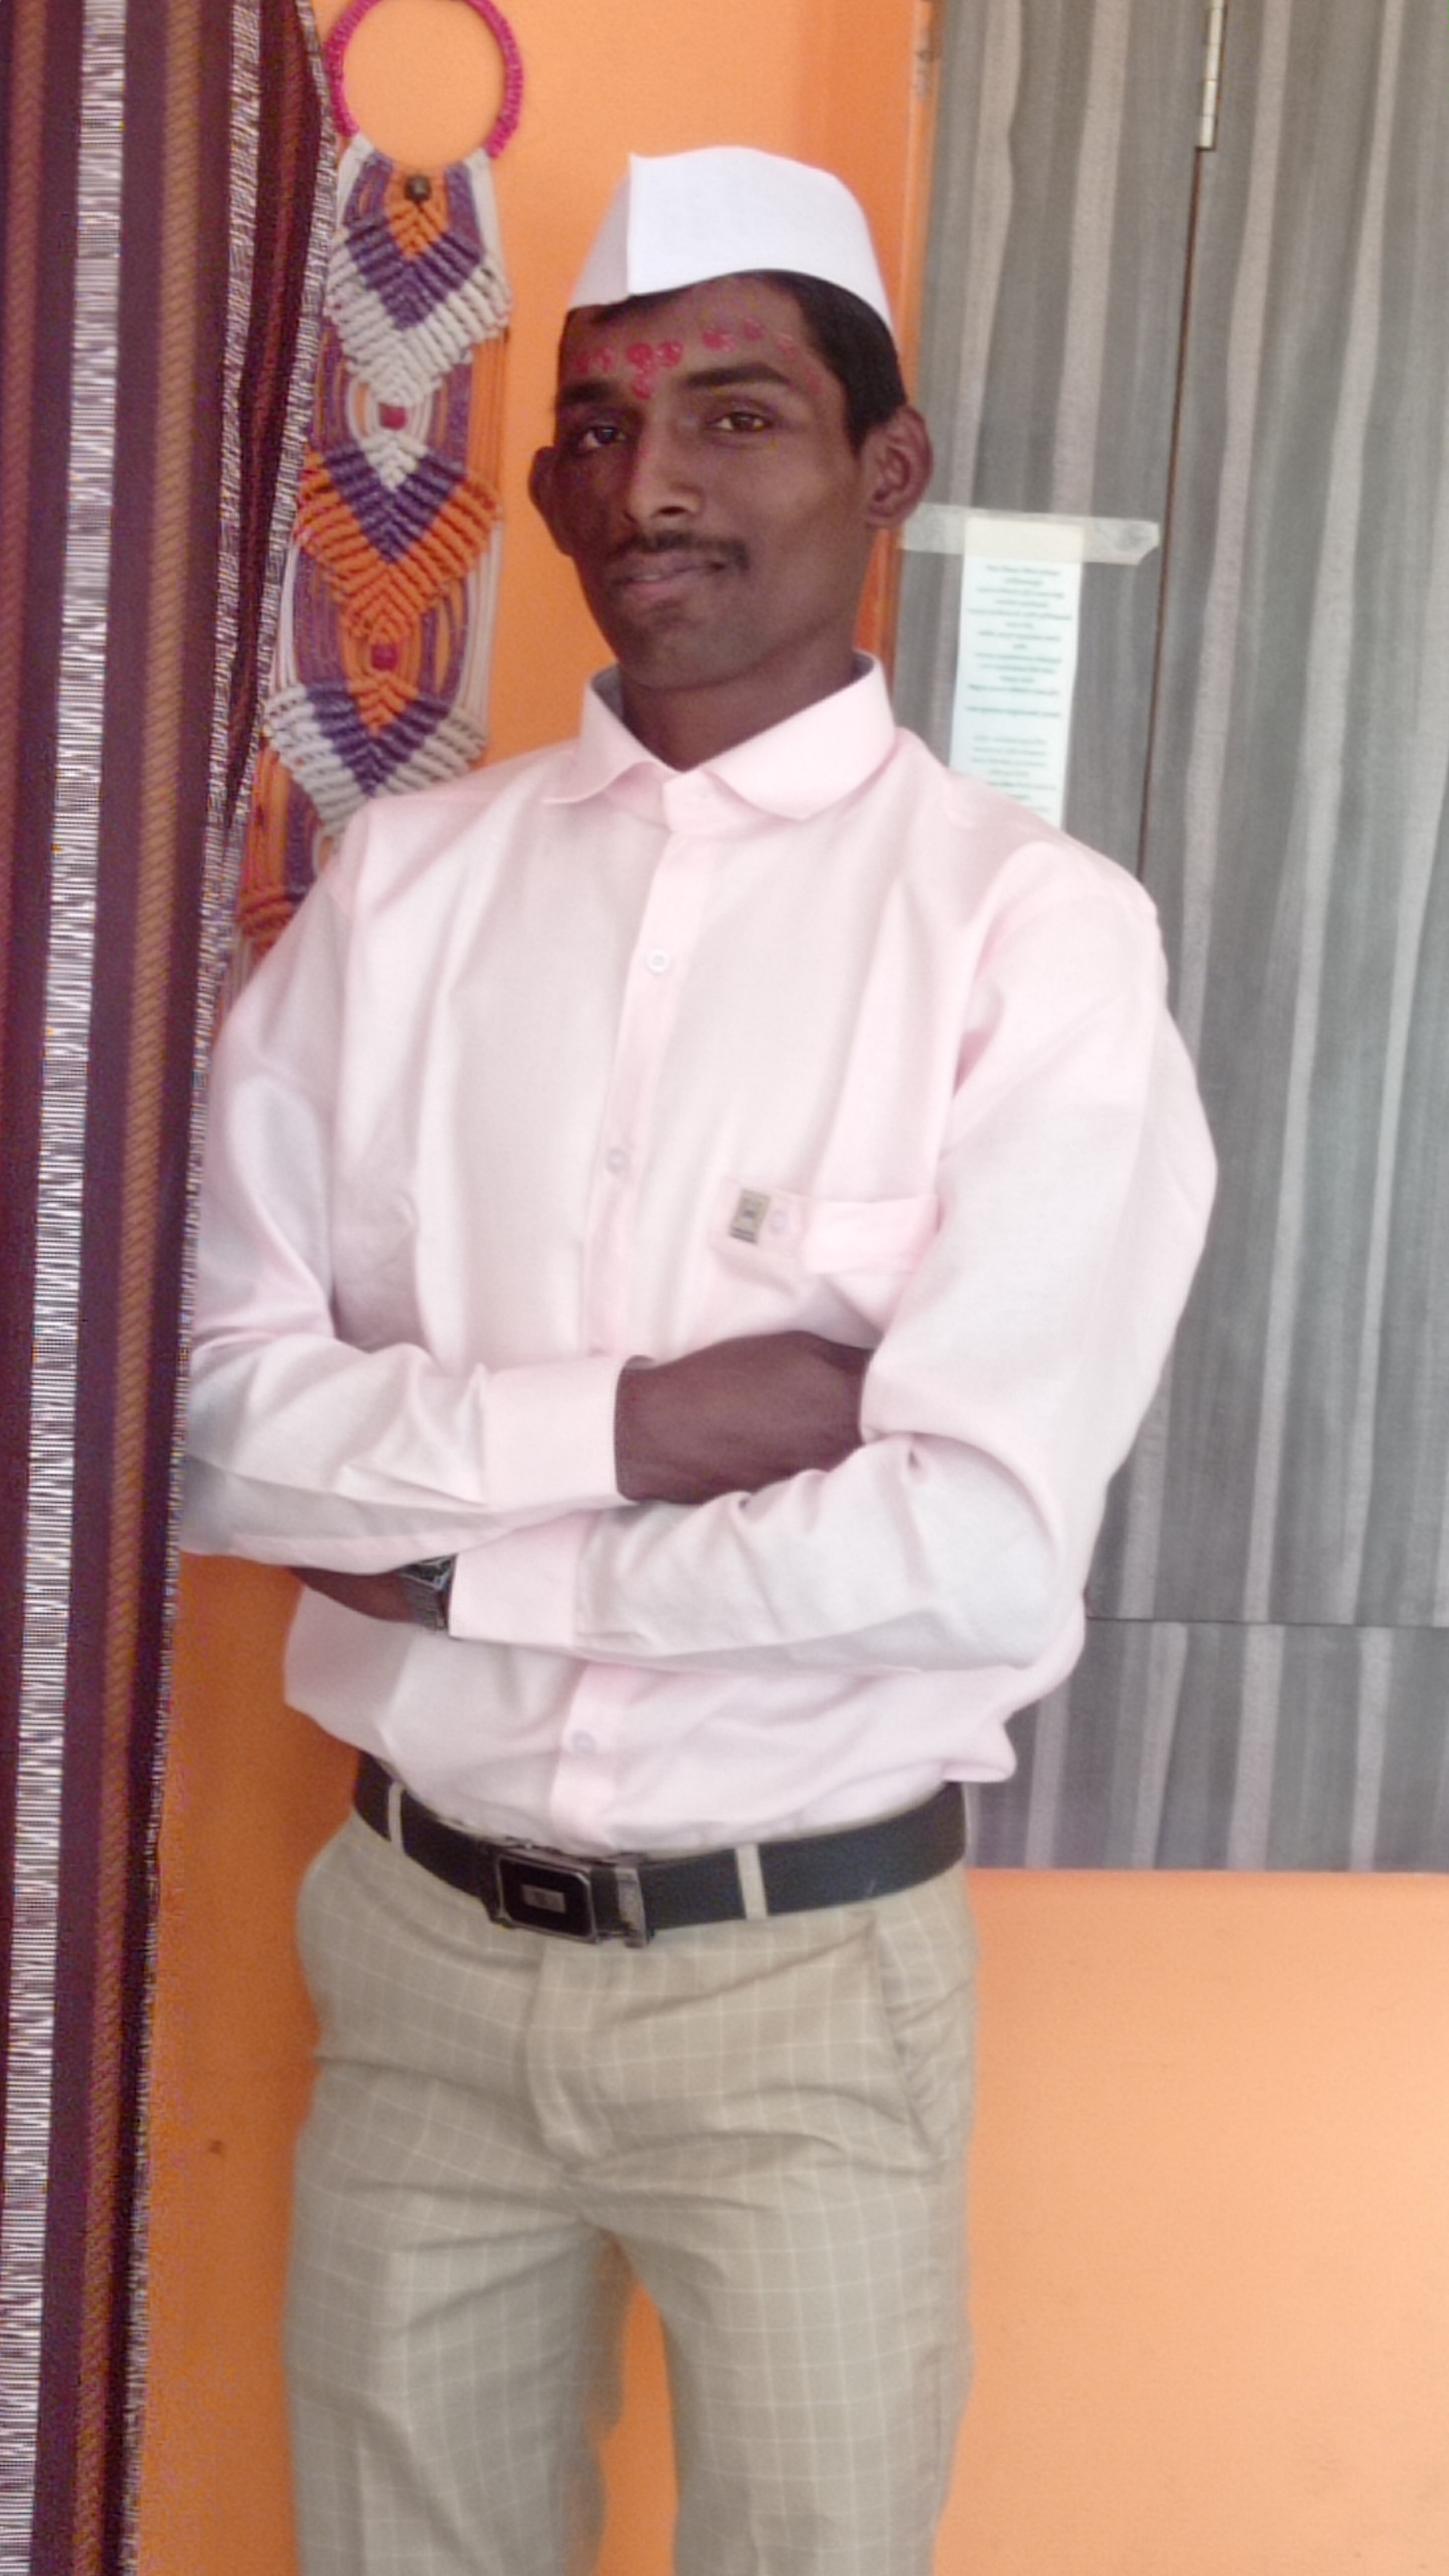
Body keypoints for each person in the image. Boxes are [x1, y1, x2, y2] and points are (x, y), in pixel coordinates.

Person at [184, 146, 1215, 2576]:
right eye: (594, 426)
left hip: (803, 1987)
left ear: (886, 467)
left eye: (733, 415)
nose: (645, 486)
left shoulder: (1025, 940)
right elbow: (209, 1431)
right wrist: (643, 1432)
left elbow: (967, 1549)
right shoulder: (406, 897)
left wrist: (463, 1564)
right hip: (419, 1958)